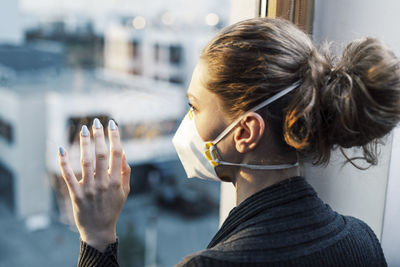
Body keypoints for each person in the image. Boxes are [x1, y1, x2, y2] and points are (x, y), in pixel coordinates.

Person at [58, 17, 400, 266]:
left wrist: (98, 237)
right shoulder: (362, 241)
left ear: (246, 132)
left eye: (194, 107)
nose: (187, 121)